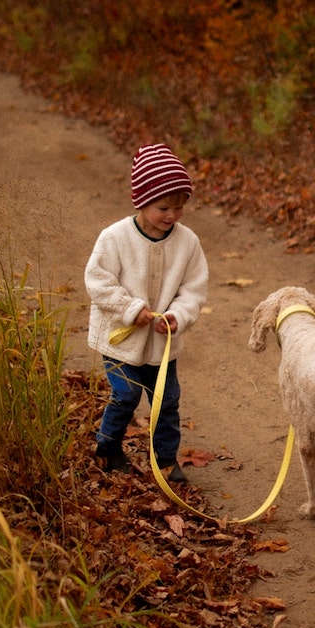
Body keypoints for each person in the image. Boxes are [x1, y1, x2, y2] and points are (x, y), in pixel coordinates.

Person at [85, 143, 209, 483]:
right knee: (125, 395)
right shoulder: (115, 239)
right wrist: (130, 308)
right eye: (163, 207)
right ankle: (108, 450)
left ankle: (165, 459)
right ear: (141, 201)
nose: (171, 216)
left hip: (162, 343)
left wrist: (178, 316)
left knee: (166, 400)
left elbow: (194, 290)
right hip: (120, 338)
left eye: (179, 208)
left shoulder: (187, 243)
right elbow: (97, 280)